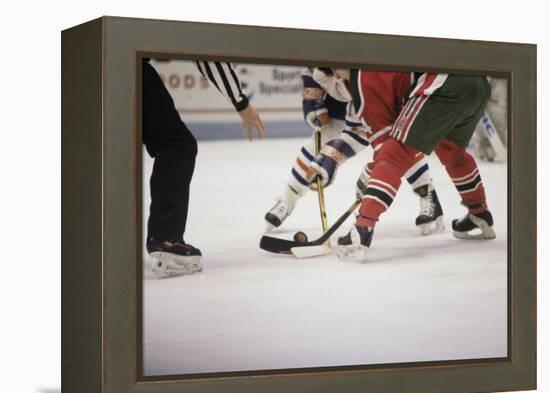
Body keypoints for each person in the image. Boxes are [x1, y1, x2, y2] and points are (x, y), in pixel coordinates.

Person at [308, 69, 494, 262]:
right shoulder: (373, 62)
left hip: (442, 84)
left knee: (393, 155)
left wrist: (371, 176)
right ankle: (479, 213)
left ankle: (362, 228)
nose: (337, 77)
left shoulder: (363, 80)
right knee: (453, 152)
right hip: (477, 83)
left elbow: (388, 153)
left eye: (335, 71)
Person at [264, 68, 444, 236]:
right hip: (351, 103)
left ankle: (427, 193)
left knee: (400, 143)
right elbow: (355, 131)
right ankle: (287, 199)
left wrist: (371, 173)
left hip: (386, 95)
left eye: (338, 74)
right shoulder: (344, 83)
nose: (337, 77)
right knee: (316, 147)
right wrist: (312, 92)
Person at [143, 58, 265, 275]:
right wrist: (242, 103)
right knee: (177, 146)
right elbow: (209, 57)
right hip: (122, 65)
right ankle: (167, 239)